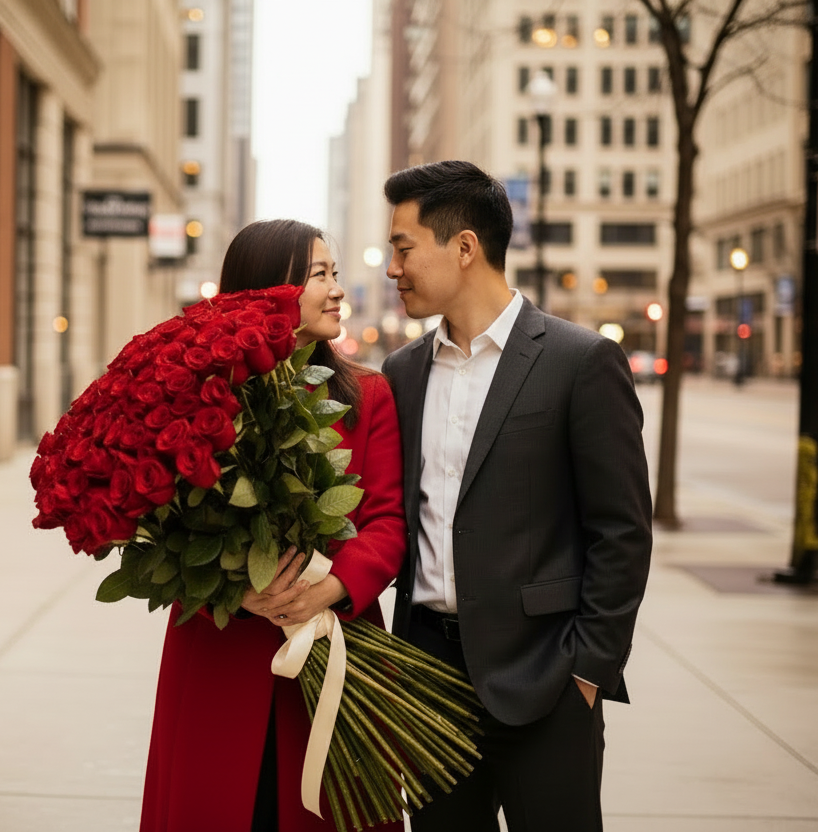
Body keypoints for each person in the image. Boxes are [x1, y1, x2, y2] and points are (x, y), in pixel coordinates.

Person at [379, 160, 652, 831]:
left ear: (464, 247)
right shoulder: (402, 373)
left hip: (546, 683)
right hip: (430, 682)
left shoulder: (579, 361)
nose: (393, 268)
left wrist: (587, 672)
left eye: (404, 247)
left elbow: (622, 531)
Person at [139, 219, 407, 832]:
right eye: (320, 275)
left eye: (335, 273)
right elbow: (165, 528)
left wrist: (330, 588)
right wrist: (234, 589)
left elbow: (387, 522)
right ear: (267, 291)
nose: (337, 289)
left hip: (338, 646)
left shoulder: (368, 395)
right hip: (220, 650)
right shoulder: (200, 398)